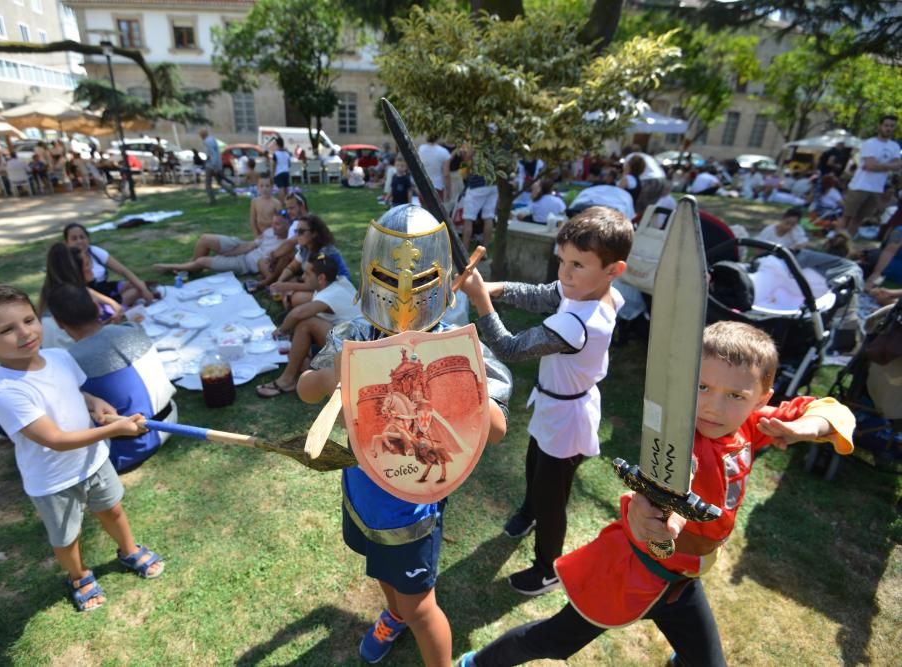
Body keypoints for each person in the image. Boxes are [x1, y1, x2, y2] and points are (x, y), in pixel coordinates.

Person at [457, 321, 854, 667]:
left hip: (681, 584)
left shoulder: (751, 426)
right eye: (702, 386)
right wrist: (646, 516)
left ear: (760, 400)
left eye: (735, 396)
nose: (714, 407)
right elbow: (648, 495)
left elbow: (830, 408)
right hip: (631, 575)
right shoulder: (678, 446)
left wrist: (807, 427)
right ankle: (476, 664)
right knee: (552, 641)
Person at [297, 204, 512, 666]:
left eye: (419, 282)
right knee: (381, 567)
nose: (404, 295)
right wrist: (340, 368)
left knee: (421, 603)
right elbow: (307, 390)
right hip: (363, 479)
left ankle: (415, 626)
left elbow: (495, 431)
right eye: (391, 280)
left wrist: (465, 385)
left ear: (440, 279)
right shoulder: (354, 333)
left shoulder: (455, 340)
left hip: (414, 492)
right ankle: (393, 614)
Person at [0, 285, 165, 613]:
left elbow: (74, 391)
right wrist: (114, 429)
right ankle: (79, 576)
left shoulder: (58, 357)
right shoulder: (7, 391)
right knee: (67, 536)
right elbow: (55, 439)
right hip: (53, 480)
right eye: (7, 330)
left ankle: (129, 550)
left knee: (113, 509)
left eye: (28, 319)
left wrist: (94, 403)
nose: (25, 333)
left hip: (94, 461)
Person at [460, 206, 631, 595]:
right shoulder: (589, 290)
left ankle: (547, 568)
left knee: (554, 497)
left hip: (568, 418)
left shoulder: (578, 323)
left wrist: (481, 302)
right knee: (535, 464)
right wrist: (490, 288)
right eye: (562, 261)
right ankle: (529, 511)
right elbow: (540, 295)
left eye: (578, 265)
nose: (565, 274)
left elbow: (510, 348)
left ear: (612, 270)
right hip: (557, 406)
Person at [48, 284, 177, 473]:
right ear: (97, 307)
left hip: (129, 447)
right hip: (171, 421)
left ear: (59, 322)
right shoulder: (132, 329)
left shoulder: (69, 361)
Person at [255, 254, 362, 398]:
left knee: (306, 323)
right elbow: (308, 289)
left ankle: (287, 380)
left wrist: (281, 330)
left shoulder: (330, 294)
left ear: (321, 278)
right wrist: (286, 286)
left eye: (307, 274)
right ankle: (309, 365)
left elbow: (298, 313)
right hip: (356, 342)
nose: (303, 277)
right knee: (303, 334)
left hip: (356, 354)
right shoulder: (339, 282)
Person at [154, 210, 290, 276]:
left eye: (277, 224)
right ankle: (188, 268)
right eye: (273, 223)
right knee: (204, 239)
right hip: (242, 247)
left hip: (243, 264)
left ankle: (176, 267)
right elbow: (250, 245)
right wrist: (228, 252)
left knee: (202, 261)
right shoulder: (270, 232)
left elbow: (271, 268)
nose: (273, 227)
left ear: (288, 226)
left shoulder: (286, 245)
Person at [63, 223, 157, 307]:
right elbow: (86, 293)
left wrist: (143, 289)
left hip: (106, 289)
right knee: (136, 291)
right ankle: (117, 308)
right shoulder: (67, 263)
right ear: (66, 242)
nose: (79, 241)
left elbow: (123, 270)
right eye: (74, 238)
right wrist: (112, 303)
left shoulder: (94, 251)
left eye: (82, 237)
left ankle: (137, 296)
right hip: (93, 300)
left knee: (138, 284)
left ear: (88, 238)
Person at [269, 213, 350, 308]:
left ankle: (291, 302)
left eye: (301, 231)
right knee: (291, 281)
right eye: (296, 231)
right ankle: (289, 300)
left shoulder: (324, 253)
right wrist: (280, 281)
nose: (297, 235)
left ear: (314, 233)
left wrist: (285, 286)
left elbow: (314, 285)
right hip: (318, 285)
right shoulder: (305, 247)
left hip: (336, 288)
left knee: (296, 297)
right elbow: (292, 267)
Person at [839, 115, 901, 236]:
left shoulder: (894, 146)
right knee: (847, 216)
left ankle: (848, 241)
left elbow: (898, 165)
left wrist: (879, 165)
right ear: (880, 126)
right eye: (886, 125)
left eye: (892, 126)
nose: (888, 128)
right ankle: (836, 240)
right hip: (860, 186)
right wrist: (889, 165)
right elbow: (869, 166)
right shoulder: (870, 143)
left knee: (859, 219)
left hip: (877, 188)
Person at [39, 243, 122, 327]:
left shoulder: (74, 290)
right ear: (76, 271)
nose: (91, 267)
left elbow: (112, 303)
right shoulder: (71, 302)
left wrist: (114, 306)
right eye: (87, 264)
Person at [199, 127, 238, 205]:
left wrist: (214, 166)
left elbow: (212, 154)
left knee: (208, 184)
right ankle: (232, 192)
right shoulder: (212, 140)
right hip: (216, 164)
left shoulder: (207, 142)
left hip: (211, 165)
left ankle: (212, 200)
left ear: (202, 135)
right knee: (220, 182)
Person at [417, 135, 451, 201]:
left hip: (423, 186)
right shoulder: (444, 152)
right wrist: (448, 191)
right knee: (436, 211)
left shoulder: (421, 148)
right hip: (437, 187)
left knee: (423, 210)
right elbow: (446, 174)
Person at [271, 136, 292, 203]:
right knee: (286, 189)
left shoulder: (276, 154)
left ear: (277, 144)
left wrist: (272, 174)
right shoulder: (287, 153)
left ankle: (281, 202)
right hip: (286, 172)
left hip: (279, 172)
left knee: (281, 188)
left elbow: (274, 165)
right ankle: (287, 202)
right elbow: (289, 164)